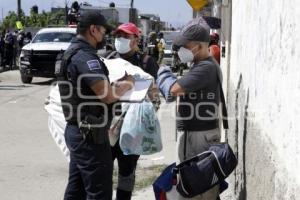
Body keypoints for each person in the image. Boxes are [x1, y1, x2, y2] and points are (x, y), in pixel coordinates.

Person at [56, 10, 135, 200]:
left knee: (77, 190)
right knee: (99, 192)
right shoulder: (84, 57)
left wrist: (116, 84)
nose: (104, 36)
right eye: (103, 31)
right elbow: (107, 95)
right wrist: (129, 83)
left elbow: (92, 90)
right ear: (93, 30)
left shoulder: (72, 52)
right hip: (90, 136)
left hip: (80, 131)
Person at [157, 18, 225, 200]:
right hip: (195, 134)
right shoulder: (199, 65)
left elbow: (173, 91)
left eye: (185, 45)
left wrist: (163, 72)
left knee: (201, 189)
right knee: (196, 185)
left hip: (200, 137)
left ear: (199, 46)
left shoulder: (205, 68)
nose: (181, 50)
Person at [106, 22, 160, 200]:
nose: (120, 39)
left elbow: (154, 95)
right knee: (103, 168)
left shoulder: (146, 62)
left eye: (126, 36)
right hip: (109, 124)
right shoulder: (108, 59)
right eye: (118, 36)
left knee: (127, 170)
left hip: (134, 127)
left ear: (136, 39)